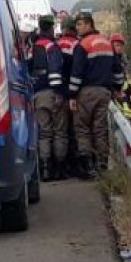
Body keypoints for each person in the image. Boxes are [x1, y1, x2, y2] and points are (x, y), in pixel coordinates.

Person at [68, 14, 125, 178]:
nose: (77, 28)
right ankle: (102, 164)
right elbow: (118, 70)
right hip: (105, 93)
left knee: (83, 128)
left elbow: (76, 73)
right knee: (100, 129)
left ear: (89, 25)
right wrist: (118, 88)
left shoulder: (83, 45)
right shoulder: (107, 43)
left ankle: (87, 168)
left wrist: (72, 95)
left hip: (86, 93)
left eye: (80, 24)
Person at [29, 15, 67, 181]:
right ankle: (59, 169)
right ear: (51, 28)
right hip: (52, 94)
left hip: (37, 95)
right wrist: (58, 93)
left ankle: (45, 169)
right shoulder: (52, 46)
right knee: (59, 132)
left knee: (44, 133)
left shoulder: (32, 47)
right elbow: (55, 71)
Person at [56, 22, 81, 178]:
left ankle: (61, 166)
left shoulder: (56, 44)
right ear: (74, 30)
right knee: (75, 130)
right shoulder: (77, 45)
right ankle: (75, 165)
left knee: (60, 131)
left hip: (59, 92)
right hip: (75, 93)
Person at [110, 33, 131, 109]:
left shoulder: (123, 59)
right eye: (117, 45)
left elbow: (124, 76)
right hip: (111, 93)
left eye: (121, 45)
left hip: (122, 92)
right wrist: (114, 92)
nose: (120, 48)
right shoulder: (109, 59)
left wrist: (128, 86)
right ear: (111, 45)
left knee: (129, 112)